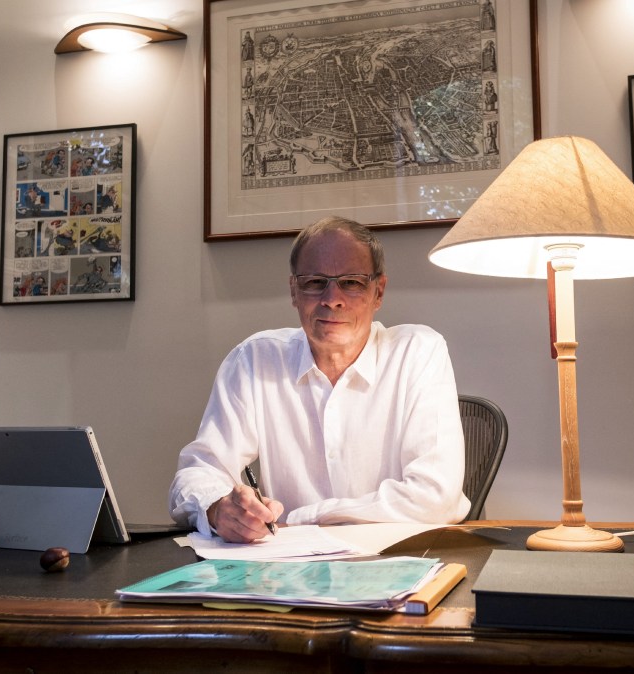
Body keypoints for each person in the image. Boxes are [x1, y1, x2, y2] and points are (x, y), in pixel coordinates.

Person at [168, 216, 470, 543]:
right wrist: (218, 509)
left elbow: (435, 497)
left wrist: (305, 516)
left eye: (351, 282)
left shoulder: (418, 353)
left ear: (378, 292)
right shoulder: (255, 361)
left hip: (400, 561)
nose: (331, 298)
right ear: (294, 291)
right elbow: (197, 473)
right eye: (315, 282)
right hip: (287, 574)